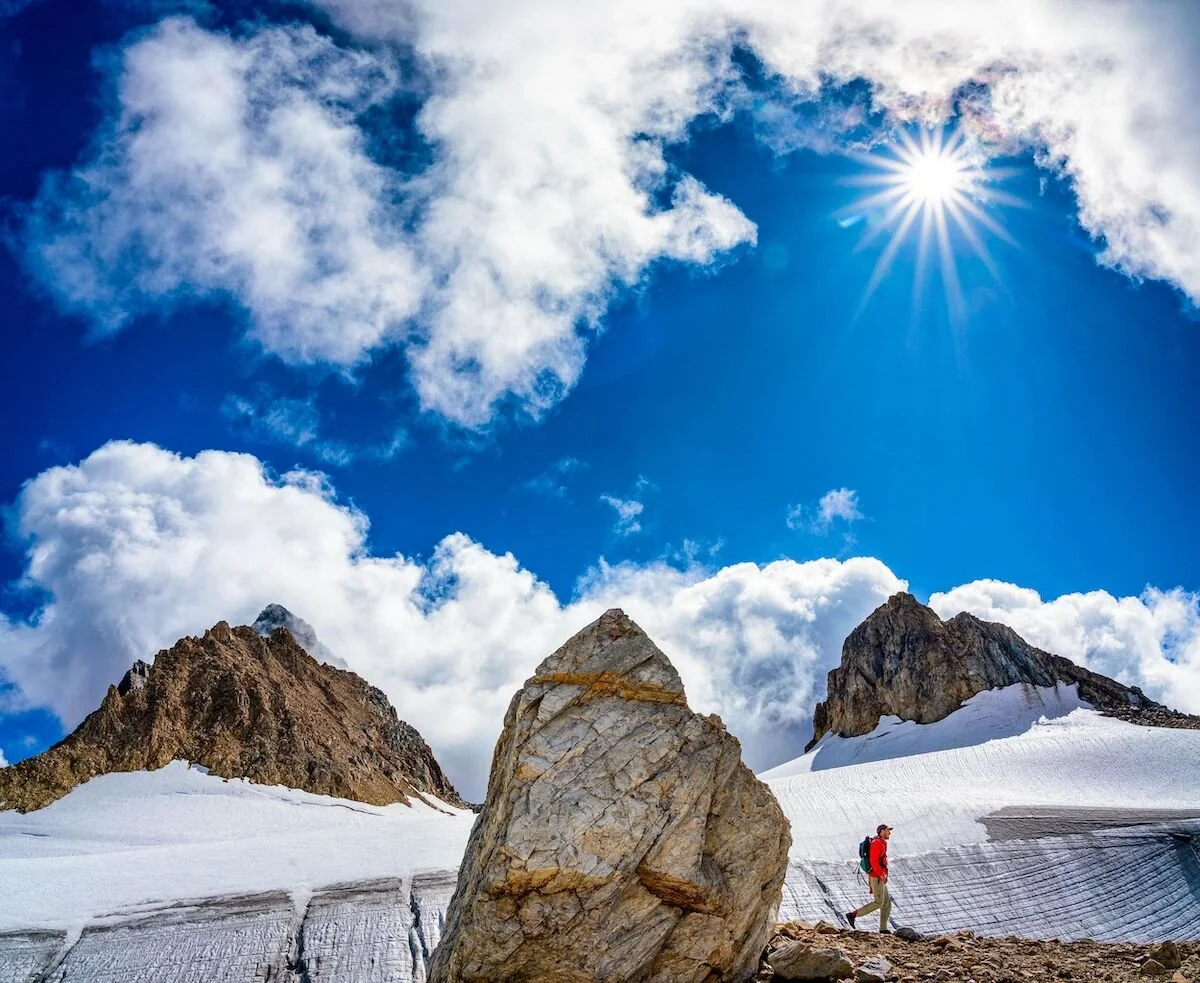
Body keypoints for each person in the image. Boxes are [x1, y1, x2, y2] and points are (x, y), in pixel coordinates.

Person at [846, 824, 892, 932]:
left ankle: (883, 929)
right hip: (877, 877)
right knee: (879, 902)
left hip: (878, 877)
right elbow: (874, 861)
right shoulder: (877, 843)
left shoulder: (880, 843)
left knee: (887, 904)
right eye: (888, 831)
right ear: (882, 831)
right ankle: (853, 915)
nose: (889, 833)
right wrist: (881, 875)